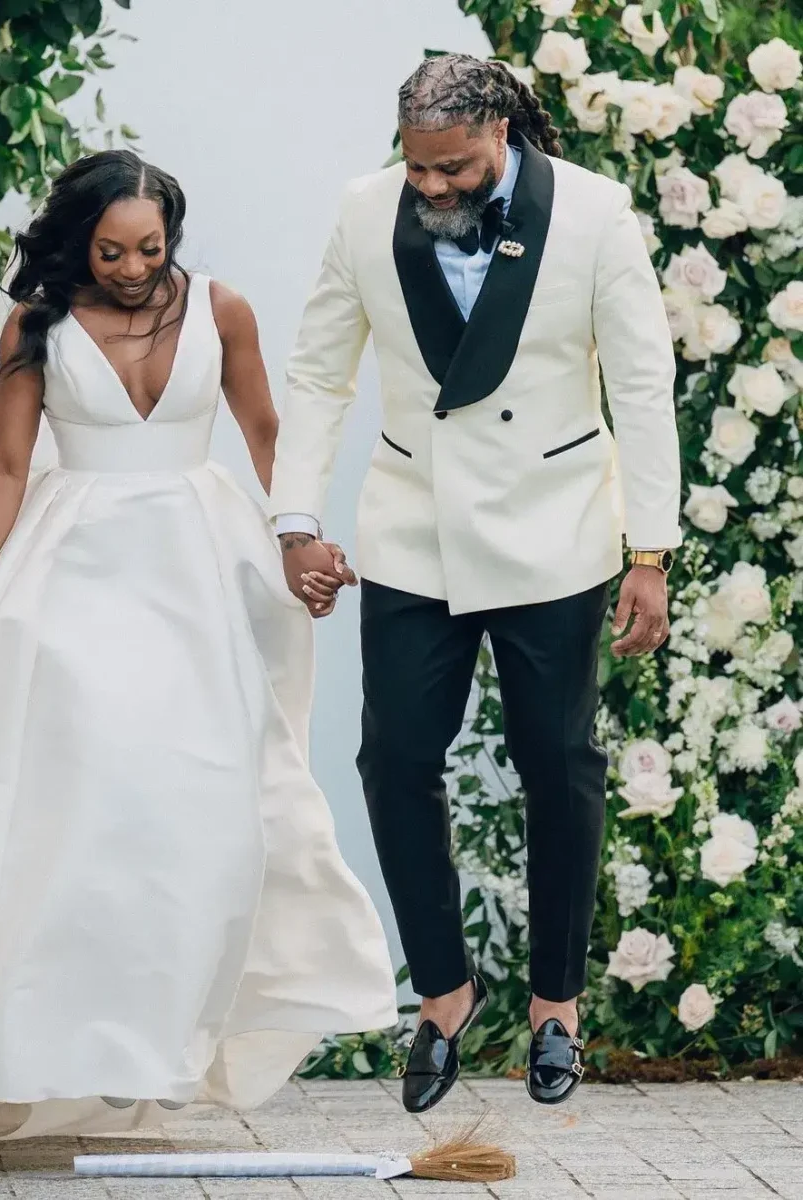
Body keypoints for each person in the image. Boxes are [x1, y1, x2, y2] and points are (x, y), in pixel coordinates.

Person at [0, 150, 396, 1171]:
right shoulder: (34, 328)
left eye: (151, 248)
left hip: (198, 569)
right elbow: (5, 467)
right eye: (111, 251)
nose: (134, 269)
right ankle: (44, 1042)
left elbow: (266, 431)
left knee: (205, 807)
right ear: (75, 240)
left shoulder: (221, 311)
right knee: (75, 811)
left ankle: (160, 1040)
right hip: (73, 573)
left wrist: (297, 534)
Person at [269, 54, 681, 1109]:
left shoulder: (592, 215)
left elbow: (638, 383)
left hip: (555, 530)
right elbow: (319, 372)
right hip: (414, 529)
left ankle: (555, 1009)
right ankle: (444, 996)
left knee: (558, 762)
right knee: (393, 755)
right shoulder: (366, 213)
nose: (434, 188)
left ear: (499, 131)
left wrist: (649, 550)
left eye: (452, 167)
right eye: (418, 170)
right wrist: (296, 517)